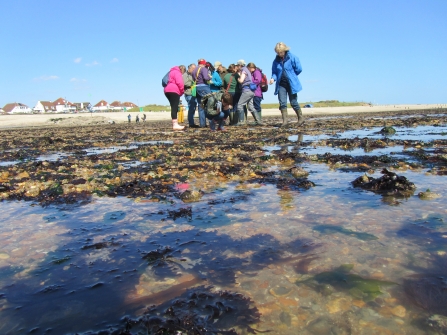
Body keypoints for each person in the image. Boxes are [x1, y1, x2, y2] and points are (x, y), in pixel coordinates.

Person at [269, 42, 304, 127]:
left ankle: (301, 119)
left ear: (285, 50)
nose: (279, 54)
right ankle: (285, 122)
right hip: (281, 84)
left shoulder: (292, 57)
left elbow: (299, 69)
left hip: (291, 84)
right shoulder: (276, 61)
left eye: (281, 52)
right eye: (278, 52)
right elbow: (274, 72)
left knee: (293, 102)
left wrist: (292, 75)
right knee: (282, 103)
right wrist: (273, 78)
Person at [235, 59, 262, 126]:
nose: (237, 67)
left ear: (240, 65)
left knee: (239, 105)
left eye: (238, 65)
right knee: (250, 106)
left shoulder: (244, 70)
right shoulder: (248, 70)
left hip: (246, 91)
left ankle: (241, 121)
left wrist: (238, 79)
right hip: (251, 91)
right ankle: (258, 120)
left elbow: (241, 81)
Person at [164, 64, 186, 130]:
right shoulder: (177, 72)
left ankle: (175, 123)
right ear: (182, 69)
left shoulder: (171, 72)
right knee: (174, 107)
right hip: (174, 90)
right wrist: (182, 91)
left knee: (173, 106)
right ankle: (175, 124)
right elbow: (180, 83)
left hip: (167, 90)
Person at [192, 59, 212, 128]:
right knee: (210, 104)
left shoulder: (194, 70)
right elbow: (206, 77)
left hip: (197, 88)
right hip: (204, 87)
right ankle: (211, 122)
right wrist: (210, 77)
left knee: (201, 106)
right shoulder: (203, 69)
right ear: (204, 63)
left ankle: (202, 124)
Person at [183, 63, 199, 128]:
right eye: (193, 69)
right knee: (191, 107)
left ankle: (191, 122)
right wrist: (193, 82)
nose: (194, 70)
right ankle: (191, 123)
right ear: (189, 68)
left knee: (194, 108)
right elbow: (184, 83)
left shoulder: (195, 75)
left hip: (194, 93)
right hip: (188, 93)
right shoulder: (185, 75)